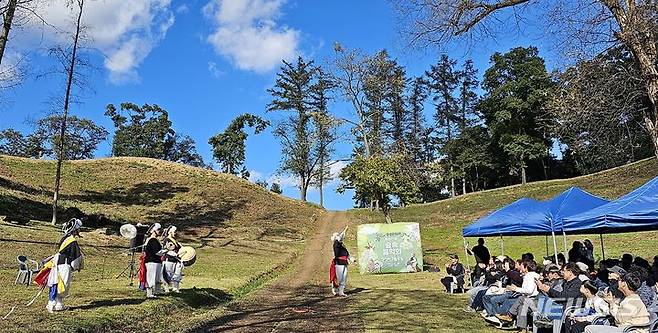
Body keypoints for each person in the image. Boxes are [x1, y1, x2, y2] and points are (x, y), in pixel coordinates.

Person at [584, 272, 650, 333]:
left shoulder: (631, 301)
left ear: (624, 284)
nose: (618, 282)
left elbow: (619, 319)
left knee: (589, 328)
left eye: (619, 280)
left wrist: (611, 303)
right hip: (625, 328)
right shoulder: (631, 298)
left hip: (630, 330)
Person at [45, 218, 84, 313]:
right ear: (75, 230)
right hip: (64, 264)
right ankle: (56, 304)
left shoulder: (64, 238)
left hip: (58, 263)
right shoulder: (72, 241)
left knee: (56, 283)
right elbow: (76, 256)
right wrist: (77, 266)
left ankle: (56, 304)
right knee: (62, 284)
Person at [142, 223, 164, 298]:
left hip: (156, 261)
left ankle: (156, 291)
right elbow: (157, 252)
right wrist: (166, 251)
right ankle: (150, 293)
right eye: (158, 230)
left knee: (157, 278)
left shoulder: (155, 240)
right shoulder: (152, 240)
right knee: (151, 277)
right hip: (152, 262)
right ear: (153, 231)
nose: (159, 231)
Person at [162, 225, 183, 293]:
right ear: (170, 232)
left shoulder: (175, 241)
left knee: (177, 274)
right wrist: (175, 254)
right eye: (175, 232)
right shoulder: (167, 240)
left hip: (176, 260)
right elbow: (167, 250)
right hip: (169, 260)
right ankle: (166, 288)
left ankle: (175, 288)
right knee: (168, 274)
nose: (176, 233)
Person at [330, 230, 351, 297]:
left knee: (344, 278)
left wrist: (351, 258)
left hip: (344, 262)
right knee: (339, 278)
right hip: (339, 263)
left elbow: (346, 253)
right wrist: (344, 231)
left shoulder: (342, 244)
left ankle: (341, 292)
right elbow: (340, 237)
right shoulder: (336, 243)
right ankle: (335, 290)